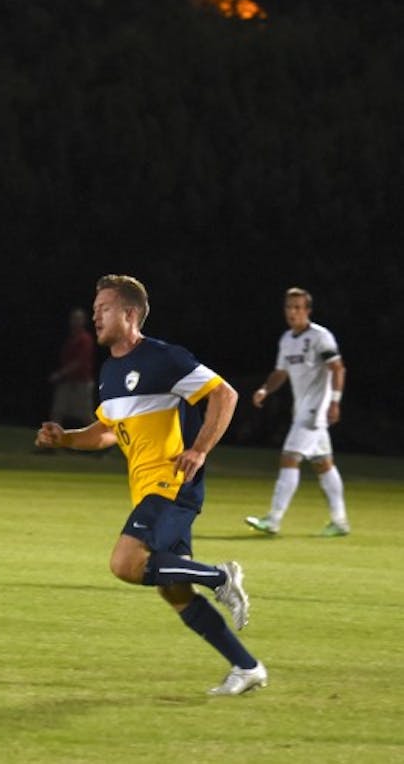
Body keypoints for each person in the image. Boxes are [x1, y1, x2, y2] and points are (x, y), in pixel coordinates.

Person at [35, 274, 265, 696]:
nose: (96, 316)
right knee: (174, 591)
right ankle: (247, 667)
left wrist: (199, 449)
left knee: (125, 563)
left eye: (104, 309)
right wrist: (65, 438)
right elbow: (106, 432)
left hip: (172, 483)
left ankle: (219, 577)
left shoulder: (165, 358)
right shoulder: (109, 371)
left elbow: (225, 395)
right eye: (95, 308)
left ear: (129, 314)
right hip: (149, 491)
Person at [245, 287, 350, 537]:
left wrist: (335, 402)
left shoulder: (320, 337)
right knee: (323, 464)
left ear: (307, 310)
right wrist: (265, 389)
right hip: (302, 409)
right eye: (288, 307)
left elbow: (338, 368)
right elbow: (281, 372)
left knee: (289, 457)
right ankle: (340, 521)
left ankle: (273, 519)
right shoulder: (286, 339)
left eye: (297, 307)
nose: (292, 312)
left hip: (315, 410)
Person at [48, 306, 96, 427]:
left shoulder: (85, 339)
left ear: (83, 321)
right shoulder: (71, 339)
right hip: (68, 381)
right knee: (57, 412)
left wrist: (60, 374)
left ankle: (104, 437)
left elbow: (80, 362)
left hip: (81, 382)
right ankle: (52, 437)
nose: (75, 321)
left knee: (86, 416)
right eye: (74, 318)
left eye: (78, 319)